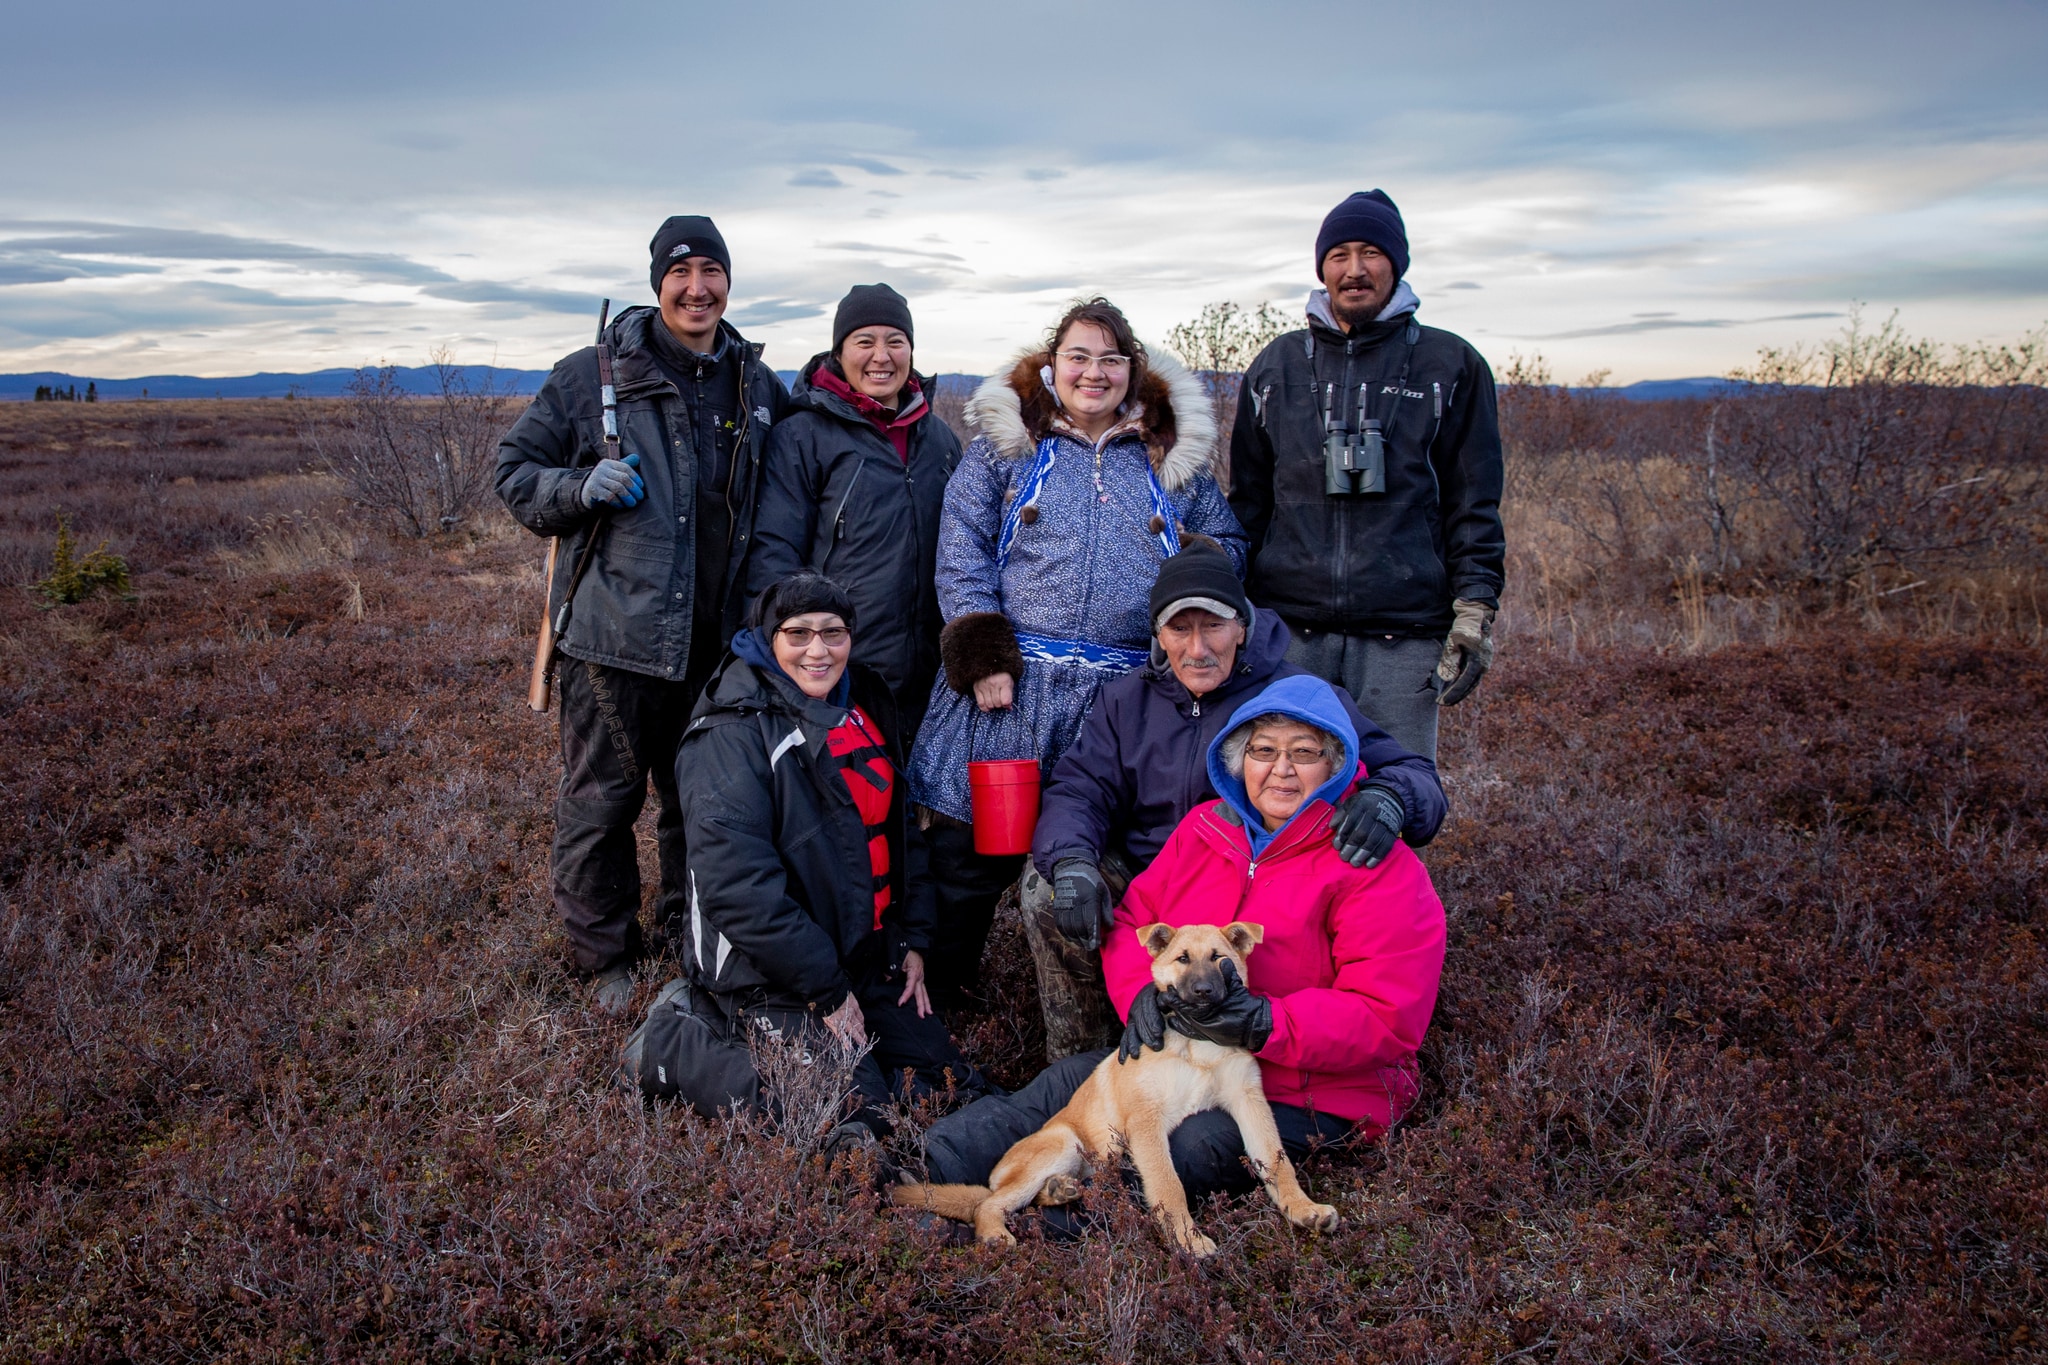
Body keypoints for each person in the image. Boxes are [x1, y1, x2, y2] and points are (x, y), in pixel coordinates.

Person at [919, 674, 1445, 1206]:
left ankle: (1046, 1225)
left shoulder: (1372, 862)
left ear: (1334, 763)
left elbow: (1388, 1013)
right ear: (1240, 760)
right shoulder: (1207, 829)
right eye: (1263, 750)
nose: (1281, 769)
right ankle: (914, 1168)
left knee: (1189, 1146)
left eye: (1303, 752)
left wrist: (1264, 1022)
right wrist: (1142, 995)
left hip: (1310, 1088)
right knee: (1064, 1087)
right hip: (1189, 1056)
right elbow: (1132, 922)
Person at [904, 297, 1248, 1006]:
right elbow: (961, 544)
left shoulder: (1171, 458)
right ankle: (941, 995)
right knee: (967, 850)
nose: (1095, 373)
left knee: (1096, 852)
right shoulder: (1006, 448)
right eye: (1079, 357)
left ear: (1132, 369)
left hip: (1123, 698)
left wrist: (1180, 613)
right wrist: (982, 653)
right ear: (1053, 365)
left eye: (1110, 359)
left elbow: (1229, 549)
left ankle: (1088, 1013)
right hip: (1010, 683)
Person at [495, 214, 790, 1014]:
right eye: (681, 271)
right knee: (602, 805)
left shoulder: (755, 384)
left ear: (730, 281)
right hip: (614, 640)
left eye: (712, 271)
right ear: (658, 281)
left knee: (701, 806)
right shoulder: (594, 374)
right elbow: (515, 470)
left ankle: (687, 932)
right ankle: (603, 959)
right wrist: (575, 489)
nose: (698, 288)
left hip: (719, 646)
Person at [1020, 538, 1448, 1059]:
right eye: (1180, 628)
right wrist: (1070, 862)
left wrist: (1389, 796)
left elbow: (1409, 770)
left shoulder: (1299, 695)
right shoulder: (1124, 700)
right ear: (1159, 634)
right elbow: (1080, 789)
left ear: (1242, 627)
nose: (1197, 648)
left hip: (1239, 887)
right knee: (1051, 891)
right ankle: (1088, 1059)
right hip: (1152, 880)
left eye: (1213, 626)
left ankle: (1248, 1058)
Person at [620, 573, 992, 1138]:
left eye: (834, 633)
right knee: (852, 1123)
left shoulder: (861, 704)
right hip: (765, 975)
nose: (818, 650)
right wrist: (827, 988)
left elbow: (898, 828)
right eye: (798, 634)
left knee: (948, 1088)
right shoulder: (731, 732)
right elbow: (737, 889)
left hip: (861, 957)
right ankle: (678, 1036)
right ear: (769, 638)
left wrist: (912, 939)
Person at [1228, 189, 1506, 762]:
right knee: (1285, 803)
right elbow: (1247, 505)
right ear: (1322, 269)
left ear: (1396, 264)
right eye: (1339, 255)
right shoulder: (1275, 367)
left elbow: (1474, 501)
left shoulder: (1450, 365)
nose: (1355, 270)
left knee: (1392, 796)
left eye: (1371, 252)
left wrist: (1474, 607)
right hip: (1288, 636)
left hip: (1403, 636)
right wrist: (1229, 608)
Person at [745, 284, 962, 745]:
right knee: (847, 808)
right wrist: (792, 657)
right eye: (865, 342)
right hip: (840, 670)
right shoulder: (803, 436)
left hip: (929, 675)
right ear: (839, 351)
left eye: (895, 341)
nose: (881, 356)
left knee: (911, 809)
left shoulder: (940, 440)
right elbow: (774, 555)